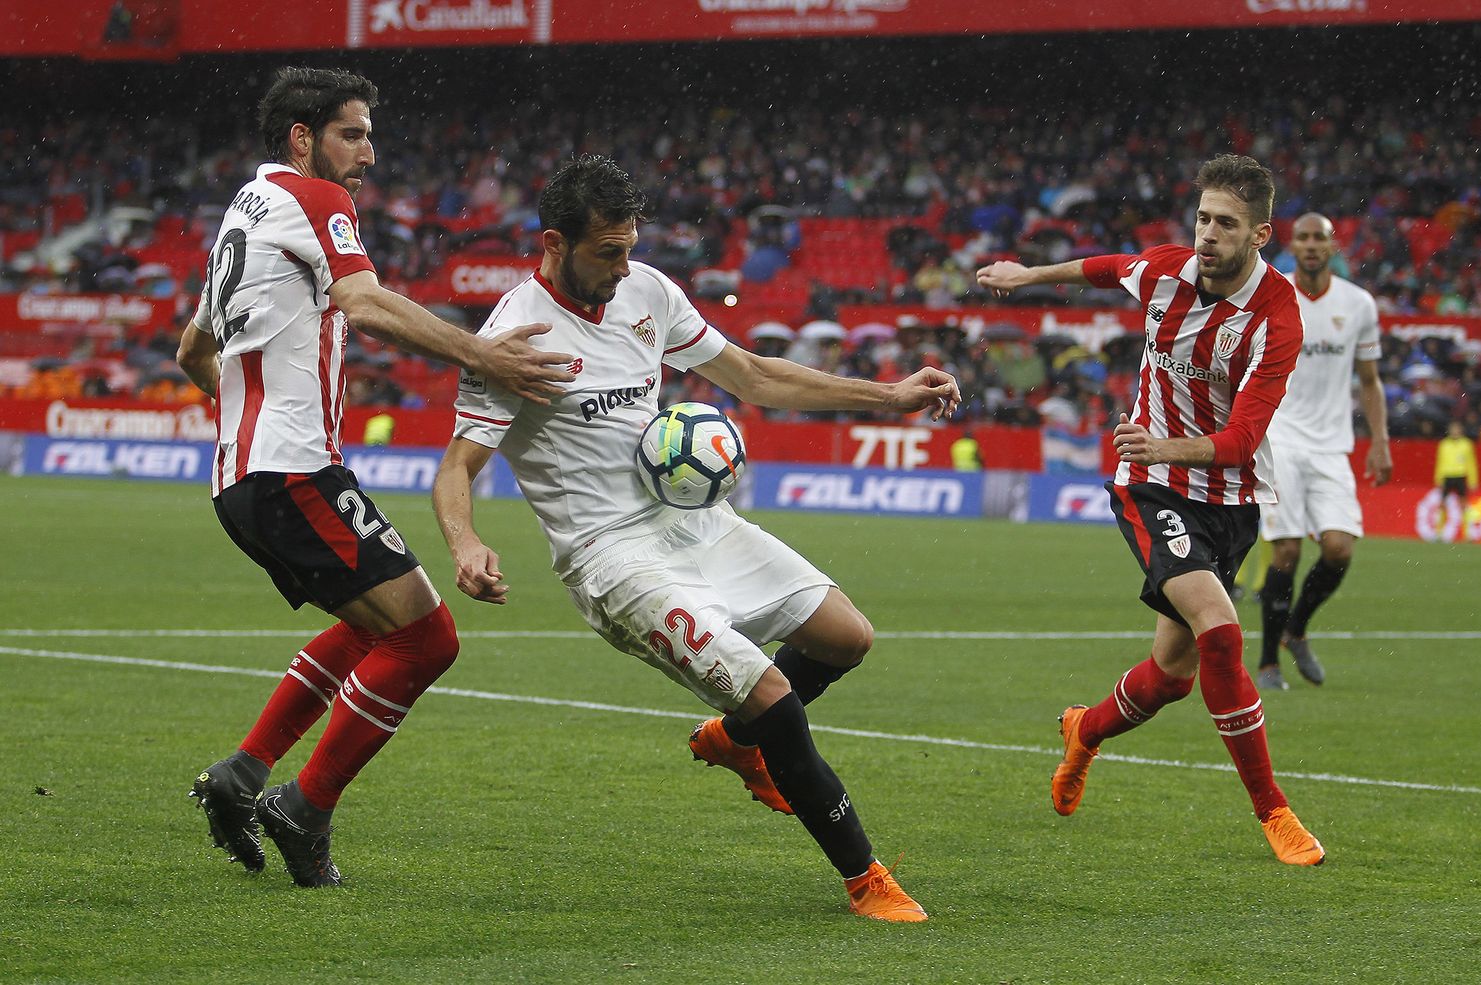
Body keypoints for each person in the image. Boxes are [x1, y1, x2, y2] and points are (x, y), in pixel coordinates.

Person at [432, 155, 961, 921]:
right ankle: (864, 876)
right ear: (553, 241)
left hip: (692, 521)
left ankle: (738, 740)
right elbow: (456, 468)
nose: (622, 268)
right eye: (606, 253)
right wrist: (465, 541)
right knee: (777, 698)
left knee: (847, 637)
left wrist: (889, 396)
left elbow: (753, 376)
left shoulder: (648, 290)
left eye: (629, 247)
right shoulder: (512, 338)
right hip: (614, 557)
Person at [177, 67, 574, 888]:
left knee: (377, 625)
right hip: (294, 472)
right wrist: (482, 351)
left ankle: (244, 773)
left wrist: (246, 432)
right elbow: (365, 301)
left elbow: (192, 352)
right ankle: (305, 805)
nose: (369, 152)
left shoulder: (240, 215)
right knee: (427, 638)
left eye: (370, 134)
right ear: (302, 137)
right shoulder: (317, 202)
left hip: (243, 479)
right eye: (352, 133)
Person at [976, 154, 1325, 866]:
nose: (1207, 235)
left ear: (1261, 233)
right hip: (1150, 486)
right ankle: (1275, 810)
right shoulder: (1167, 270)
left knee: (1173, 672)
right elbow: (1108, 267)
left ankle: (1086, 730)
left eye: (1226, 224)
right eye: (1202, 218)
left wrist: (1166, 439)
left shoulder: (1278, 316)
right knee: (1222, 631)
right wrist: (1030, 276)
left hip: (1229, 497)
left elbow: (1242, 441)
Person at [1254, 213, 1392, 691]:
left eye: (1320, 238)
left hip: (1333, 445)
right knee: (1287, 550)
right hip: (1280, 440)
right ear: (1293, 245)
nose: (1312, 245)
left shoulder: (1358, 305)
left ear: (1333, 246)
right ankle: (1268, 661)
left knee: (1338, 549)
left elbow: (1370, 381)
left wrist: (1381, 441)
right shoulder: (1272, 293)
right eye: (1305, 238)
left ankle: (1296, 629)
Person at [1434, 419, 1479, 539]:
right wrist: (1438, 478)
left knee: (1464, 504)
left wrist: (1473, 480)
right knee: (1443, 504)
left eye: (1457, 429)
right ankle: (1439, 533)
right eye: (1453, 429)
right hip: (1447, 475)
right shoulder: (1444, 444)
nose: (1455, 432)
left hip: (1460, 475)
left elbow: (1471, 463)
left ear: (1461, 431)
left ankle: (1468, 533)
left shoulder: (1466, 444)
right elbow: (1440, 461)